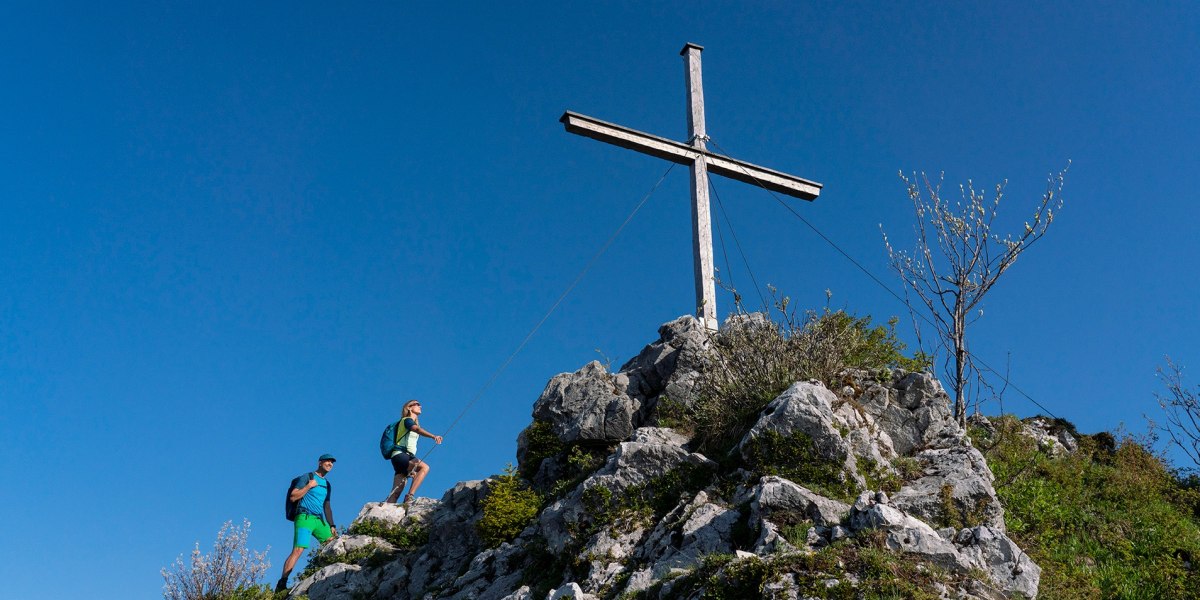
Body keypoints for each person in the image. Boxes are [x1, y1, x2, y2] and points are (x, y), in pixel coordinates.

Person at [276, 454, 338, 592]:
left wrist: (332, 525)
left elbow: (327, 506)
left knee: (333, 543)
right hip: (304, 517)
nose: (330, 464)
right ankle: (282, 583)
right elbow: (293, 496)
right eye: (327, 461)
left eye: (332, 462)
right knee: (298, 549)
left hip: (319, 520)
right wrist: (309, 486)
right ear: (320, 463)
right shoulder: (308, 477)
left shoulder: (327, 484)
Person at [384, 399, 443, 505]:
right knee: (424, 467)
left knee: (395, 492)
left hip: (398, 458)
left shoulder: (405, 422)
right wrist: (433, 436)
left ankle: (384, 511)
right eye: (417, 404)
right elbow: (416, 429)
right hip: (402, 455)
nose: (420, 406)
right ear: (409, 407)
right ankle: (409, 496)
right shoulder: (407, 420)